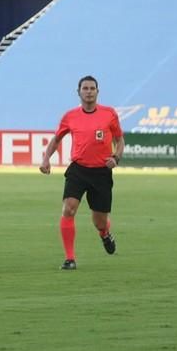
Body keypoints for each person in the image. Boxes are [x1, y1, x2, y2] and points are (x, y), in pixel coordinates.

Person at [39, 75, 124, 270]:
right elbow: (57, 139)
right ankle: (70, 259)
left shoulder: (109, 114)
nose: (89, 91)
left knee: (99, 221)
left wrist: (116, 158)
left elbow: (120, 140)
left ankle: (104, 233)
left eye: (92, 88)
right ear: (78, 92)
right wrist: (46, 159)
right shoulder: (70, 116)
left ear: (97, 92)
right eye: (85, 88)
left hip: (102, 172)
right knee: (68, 209)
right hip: (78, 169)